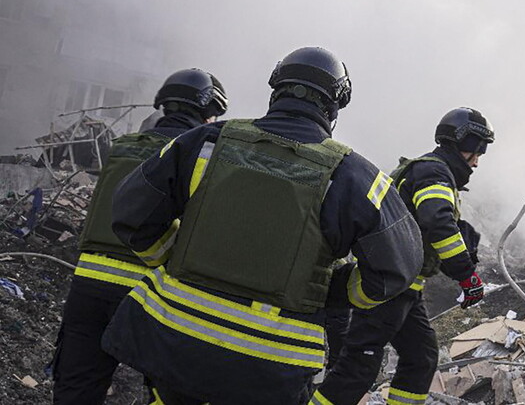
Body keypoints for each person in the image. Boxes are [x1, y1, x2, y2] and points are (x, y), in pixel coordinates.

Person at [102, 47, 424, 405]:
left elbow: (130, 211)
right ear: (334, 108)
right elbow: (399, 266)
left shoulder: (204, 143)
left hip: (174, 342)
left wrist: (171, 253)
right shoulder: (354, 176)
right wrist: (334, 291)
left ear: (275, 92)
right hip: (272, 366)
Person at [52, 69, 226, 404]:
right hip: (153, 291)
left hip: (88, 286)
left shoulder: (124, 147)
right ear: (208, 111)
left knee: (76, 386)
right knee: (168, 391)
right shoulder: (202, 157)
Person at [313, 107, 494, 405]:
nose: (477, 159)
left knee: (421, 357)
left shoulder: (434, 171)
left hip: (405, 288)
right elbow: (437, 221)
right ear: (461, 143)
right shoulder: (434, 172)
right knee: (360, 365)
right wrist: (466, 275)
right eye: (476, 149)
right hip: (387, 284)